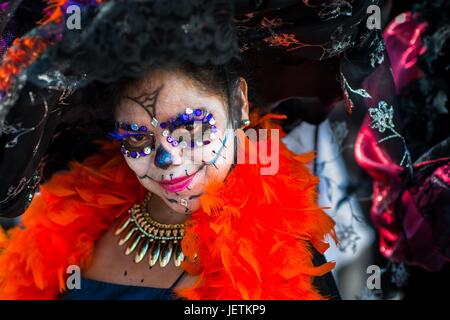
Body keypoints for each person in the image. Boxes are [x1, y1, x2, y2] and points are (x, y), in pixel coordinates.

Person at [0, 0, 340, 300]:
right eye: (136, 139)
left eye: (189, 129)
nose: (167, 160)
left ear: (238, 103)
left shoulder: (283, 260)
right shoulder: (75, 211)